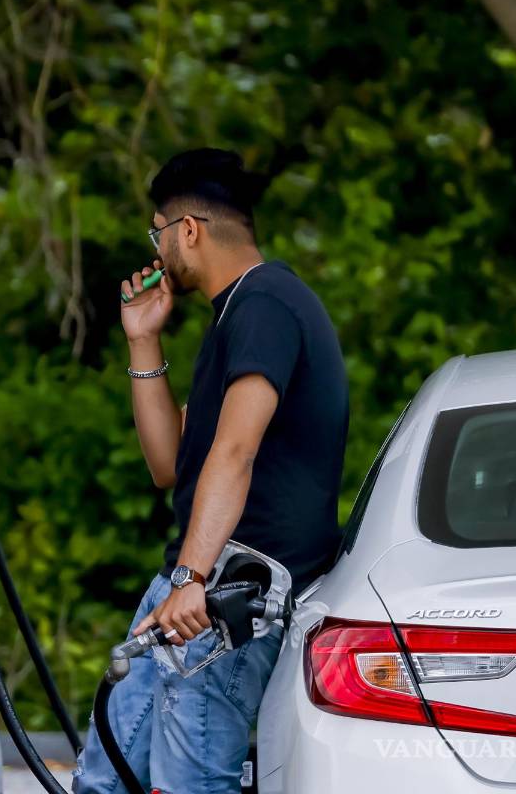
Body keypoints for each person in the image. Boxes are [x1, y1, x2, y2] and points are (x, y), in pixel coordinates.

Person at [72, 148, 349, 793]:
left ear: (188, 229)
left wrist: (193, 578)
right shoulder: (238, 319)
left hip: (230, 589)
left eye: (158, 231)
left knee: (189, 782)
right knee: (106, 780)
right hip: (196, 583)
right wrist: (143, 339)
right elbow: (173, 463)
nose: (159, 247)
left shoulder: (267, 304)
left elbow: (235, 452)